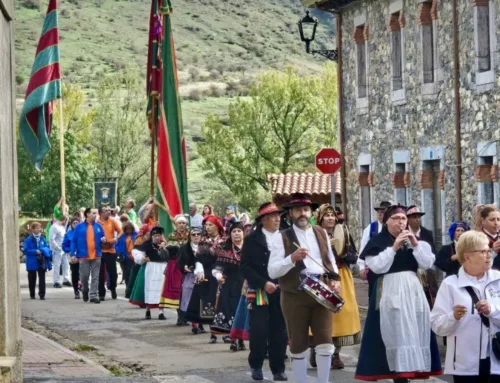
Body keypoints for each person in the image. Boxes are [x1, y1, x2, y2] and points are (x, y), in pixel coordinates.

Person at [355, 205, 442, 382]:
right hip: (390, 288)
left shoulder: (416, 241)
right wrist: (394, 247)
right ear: (386, 221)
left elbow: (426, 264)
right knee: (394, 330)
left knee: (413, 329)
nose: (400, 222)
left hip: (412, 289)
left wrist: (415, 244)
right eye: (396, 218)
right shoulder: (377, 242)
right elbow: (378, 267)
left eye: (403, 218)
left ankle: (409, 372)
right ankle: (397, 374)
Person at [268, 193, 340, 383]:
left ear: (311, 212)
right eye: (298, 210)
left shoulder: (321, 232)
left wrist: (335, 279)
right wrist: (292, 259)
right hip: (294, 294)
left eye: (306, 210)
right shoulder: (280, 237)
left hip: (321, 291)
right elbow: (273, 271)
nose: (303, 214)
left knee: (325, 342)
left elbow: (329, 259)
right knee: (298, 343)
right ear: (290, 213)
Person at [431, 230, 500, 382]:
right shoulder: (450, 284)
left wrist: (492, 311)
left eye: (489, 250)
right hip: (464, 363)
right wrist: (453, 317)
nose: (489, 255)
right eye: (483, 251)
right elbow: (437, 325)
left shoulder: (498, 279)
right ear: (467, 256)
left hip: (497, 359)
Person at [240, 202, 288, 382]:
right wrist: (263, 282)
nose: (278, 219)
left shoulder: (286, 237)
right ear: (263, 220)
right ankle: (256, 365)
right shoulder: (252, 239)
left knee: (279, 331)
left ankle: (278, 369)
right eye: (273, 216)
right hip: (259, 289)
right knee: (259, 330)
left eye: (278, 216)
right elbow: (244, 267)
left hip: (281, 289)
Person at [309, 204, 361, 370]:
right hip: (322, 275)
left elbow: (353, 256)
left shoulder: (343, 232)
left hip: (341, 276)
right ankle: (318, 348)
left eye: (332, 215)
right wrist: (325, 246)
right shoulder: (313, 234)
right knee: (321, 313)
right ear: (320, 218)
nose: (331, 218)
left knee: (341, 314)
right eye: (327, 215)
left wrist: (341, 250)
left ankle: (335, 353)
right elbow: (309, 256)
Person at [183, 215, 225, 341]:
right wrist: (199, 271)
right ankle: (213, 332)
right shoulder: (203, 241)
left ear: (217, 226)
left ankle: (227, 333)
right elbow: (199, 259)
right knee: (209, 302)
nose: (207, 227)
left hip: (224, 273)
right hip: (208, 274)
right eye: (206, 225)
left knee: (224, 302)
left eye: (210, 225)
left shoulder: (225, 241)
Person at [211, 222, 246, 351]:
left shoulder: (249, 249)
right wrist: (219, 277)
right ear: (230, 234)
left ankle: (242, 338)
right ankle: (233, 339)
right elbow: (218, 267)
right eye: (234, 231)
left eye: (239, 231)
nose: (237, 233)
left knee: (243, 311)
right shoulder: (225, 249)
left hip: (246, 284)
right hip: (229, 285)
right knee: (231, 311)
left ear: (243, 233)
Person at [129, 226, 169, 320]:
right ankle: (148, 310)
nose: (157, 238)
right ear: (151, 236)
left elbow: (171, 255)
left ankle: (161, 312)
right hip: (151, 268)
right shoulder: (147, 244)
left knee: (161, 290)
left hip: (162, 268)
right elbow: (136, 252)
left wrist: (164, 247)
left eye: (159, 235)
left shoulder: (165, 245)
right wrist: (142, 258)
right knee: (149, 288)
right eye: (155, 236)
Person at [70, 208, 105, 304]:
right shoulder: (79, 227)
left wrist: (104, 240)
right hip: (83, 256)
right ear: (87, 214)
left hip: (96, 255)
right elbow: (74, 241)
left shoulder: (98, 226)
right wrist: (72, 254)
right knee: (84, 277)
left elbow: (103, 237)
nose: (96, 215)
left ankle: (93, 295)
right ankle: (85, 290)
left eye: (96, 213)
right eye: (94, 213)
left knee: (95, 277)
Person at [160, 215, 189, 324]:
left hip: (188, 265)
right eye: (179, 223)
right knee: (178, 291)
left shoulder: (191, 235)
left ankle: (186, 315)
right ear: (175, 225)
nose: (181, 225)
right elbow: (168, 251)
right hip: (175, 266)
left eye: (183, 223)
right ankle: (180, 316)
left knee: (188, 290)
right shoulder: (172, 235)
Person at [358, 201, 392, 290]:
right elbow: (363, 248)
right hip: (374, 269)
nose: (380, 214)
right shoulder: (371, 228)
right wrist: (361, 267)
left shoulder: (393, 228)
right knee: (374, 294)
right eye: (378, 212)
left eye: (383, 212)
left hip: (391, 269)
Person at [177, 227, 205, 334]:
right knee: (190, 299)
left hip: (203, 277)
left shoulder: (206, 247)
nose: (196, 236)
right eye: (194, 234)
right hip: (190, 277)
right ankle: (194, 323)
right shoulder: (184, 248)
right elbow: (179, 263)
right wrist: (185, 267)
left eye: (198, 234)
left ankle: (201, 323)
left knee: (203, 299)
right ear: (190, 236)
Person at [97, 206, 122, 301]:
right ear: (100, 213)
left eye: (109, 210)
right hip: (100, 251)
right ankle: (101, 293)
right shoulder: (97, 222)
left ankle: (112, 288)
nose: (108, 212)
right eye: (105, 211)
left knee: (113, 272)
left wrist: (116, 238)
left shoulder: (112, 221)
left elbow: (121, 231)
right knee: (100, 273)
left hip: (111, 251)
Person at [23, 222, 52, 300]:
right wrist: (35, 251)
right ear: (32, 229)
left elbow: (47, 248)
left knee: (42, 278)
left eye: (40, 228)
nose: (39, 229)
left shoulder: (43, 239)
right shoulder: (28, 240)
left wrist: (43, 250)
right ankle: (32, 294)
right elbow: (26, 250)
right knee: (32, 279)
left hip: (41, 261)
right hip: (31, 262)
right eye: (37, 228)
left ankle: (42, 294)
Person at [125, 223, 153, 299]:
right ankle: (130, 293)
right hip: (139, 262)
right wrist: (141, 258)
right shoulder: (139, 239)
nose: (150, 233)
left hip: (150, 262)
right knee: (135, 279)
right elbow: (136, 251)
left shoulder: (153, 238)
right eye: (149, 231)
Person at [475, 205, 500, 269]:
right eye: (492, 220)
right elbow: (476, 263)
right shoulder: (476, 238)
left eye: (498, 219)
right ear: (483, 221)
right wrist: (493, 251)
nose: (496, 223)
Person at [49, 215, 70, 288]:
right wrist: (57, 248)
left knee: (66, 264)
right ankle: (56, 281)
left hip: (63, 248)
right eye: (66, 221)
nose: (66, 222)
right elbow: (51, 239)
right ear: (64, 220)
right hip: (57, 249)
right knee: (57, 265)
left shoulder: (62, 227)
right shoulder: (54, 227)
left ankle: (66, 279)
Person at [62, 217, 81, 299]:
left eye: (77, 223)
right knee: (75, 273)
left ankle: (82, 286)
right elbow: (64, 245)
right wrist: (70, 251)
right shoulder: (68, 234)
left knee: (83, 272)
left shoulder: (83, 233)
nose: (76, 224)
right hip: (72, 256)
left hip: (82, 255)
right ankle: (76, 290)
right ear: (71, 224)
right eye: (74, 223)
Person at [115, 222, 137, 290]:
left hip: (134, 256)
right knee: (127, 274)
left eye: (130, 229)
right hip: (125, 258)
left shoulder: (136, 235)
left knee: (134, 274)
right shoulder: (121, 236)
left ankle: (133, 288)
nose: (129, 231)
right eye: (127, 229)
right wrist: (120, 253)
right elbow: (116, 246)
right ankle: (128, 288)